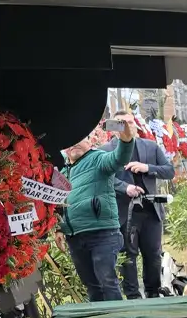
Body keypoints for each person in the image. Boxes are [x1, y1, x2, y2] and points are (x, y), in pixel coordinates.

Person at [60, 121, 137, 301]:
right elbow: (58, 203)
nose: (73, 145)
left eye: (78, 139)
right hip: (74, 237)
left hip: (102, 234)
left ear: (89, 141)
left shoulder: (98, 159)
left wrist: (126, 140)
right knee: (92, 287)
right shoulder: (63, 171)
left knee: (107, 282)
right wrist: (59, 229)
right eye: (69, 142)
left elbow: (119, 158)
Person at [105, 111, 174, 299]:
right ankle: (133, 296)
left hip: (151, 211)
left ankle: (153, 293)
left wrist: (148, 168)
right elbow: (104, 178)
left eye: (130, 122)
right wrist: (124, 187)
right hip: (123, 212)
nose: (127, 126)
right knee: (128, 256)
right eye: (122, 123)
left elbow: (169, 171)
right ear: (114, 128)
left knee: (153, 255)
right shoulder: (105, 151)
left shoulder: (150, 147)